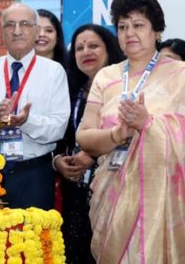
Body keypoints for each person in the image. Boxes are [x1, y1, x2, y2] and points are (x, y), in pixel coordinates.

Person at [77, 0, 185, 263]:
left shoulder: (182, 74)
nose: (130, 33)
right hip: (114, 194)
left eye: (138, 25)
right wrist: (118, 133)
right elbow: (84, 135)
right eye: (122, 26)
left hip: (170, 202)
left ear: (157, 31)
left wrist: (148, 124)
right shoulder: (107, 76)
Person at [0, 2, 70, 209]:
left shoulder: (54, 72)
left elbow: (58, 128)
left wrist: (26, 121)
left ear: (36, 31)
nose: (17, 31)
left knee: (34, 239)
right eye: (10, 25)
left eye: (24, 24)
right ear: (1, 33)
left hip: (34, 175)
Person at [53, 24, 124, 264]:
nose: (86, 52)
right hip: (74, 186)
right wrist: (59, 161)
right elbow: (60, 138)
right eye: (79, 48)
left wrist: (90, 155)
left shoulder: (123, 87)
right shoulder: (73, 90)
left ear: (109, 48)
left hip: (112, 182)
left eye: (93, 46)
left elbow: (128, 134)